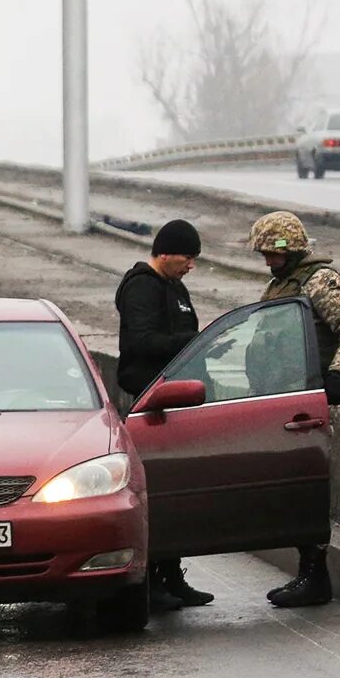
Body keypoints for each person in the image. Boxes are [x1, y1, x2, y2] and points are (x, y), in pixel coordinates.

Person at [246, 211, 340, 608]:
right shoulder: (279, 285)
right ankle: (307, 571)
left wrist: (339, 375)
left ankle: (315, 575)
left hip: (306, 405)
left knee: (307, 489)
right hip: (280, 401)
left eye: (272, 253)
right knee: (291, 490)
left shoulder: (320, 281)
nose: (267, 260)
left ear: (292, 249)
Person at [113, 219, 214, 610]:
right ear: (166, 252)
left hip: (176, 399)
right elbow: (142, 342)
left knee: (176, 492)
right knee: (153, 494)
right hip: (150, 406)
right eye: (188, 257)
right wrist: (192, 343)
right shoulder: (141, 286)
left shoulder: (175, 287)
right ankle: (152, 580)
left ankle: (173, 576)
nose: (191, 265)